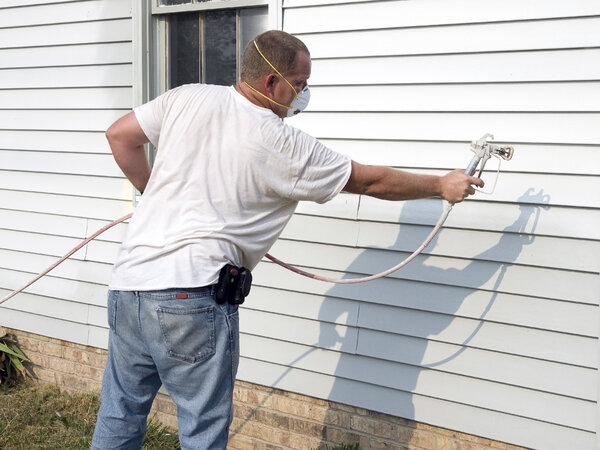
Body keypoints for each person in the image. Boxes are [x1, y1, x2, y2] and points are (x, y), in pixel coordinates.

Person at [91, 30, 483, 449]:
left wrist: (154, 196)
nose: (304, 93)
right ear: (271, 82)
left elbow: (120, 136)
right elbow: (371, 181)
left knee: (121, 411)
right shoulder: (281, 142)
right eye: (299, 83)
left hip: (128, 286)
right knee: (202, 428)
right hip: (191, 295)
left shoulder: (188, 97)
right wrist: (441, 185)